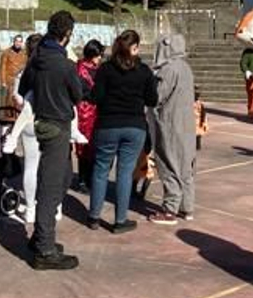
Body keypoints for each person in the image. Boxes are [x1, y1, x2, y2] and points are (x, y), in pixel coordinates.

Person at [17, 11, 85, 269]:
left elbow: (24, 89)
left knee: (63, 176)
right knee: (51, 185)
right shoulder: (65, 64)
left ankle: (40, 237)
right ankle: (44, 249)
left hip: (43, 123)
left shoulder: (37, 59)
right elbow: (77, 95)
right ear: (67, 34)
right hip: (57, 125)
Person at [89, 29, 159, 231]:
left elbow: (95, 97)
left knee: (101, 169)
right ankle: (120, 220)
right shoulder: (144, 71)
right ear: (134, 47)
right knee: (125, 172)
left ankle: (94, 216)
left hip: (108, 124)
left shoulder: (105, 69)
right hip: (134, 125)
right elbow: (152, 100)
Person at [150, 32, 198, 224]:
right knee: (186, 166)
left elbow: (157, 97)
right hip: (186, 124)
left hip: (170, 123)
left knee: (169, 163)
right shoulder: (186, 68)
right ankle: (187, 207)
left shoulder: (168, 70)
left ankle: (170, 209)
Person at [6, 34, 46, 234]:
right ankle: (51, 206)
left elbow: (17, 98)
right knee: (48, 167)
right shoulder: (46, 70)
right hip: (47, 121)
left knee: (30, 165)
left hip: (27, 123)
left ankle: (30, 208)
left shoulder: (24, 71)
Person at [73, 40, 103, 192]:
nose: (100, 58)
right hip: (84, 111)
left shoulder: (99, 69)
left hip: (96, 111)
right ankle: (82, 180)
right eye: (98, 55)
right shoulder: (79, 69)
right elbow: (79, 91)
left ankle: (91, 178)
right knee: (83, 146)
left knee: (95, 146)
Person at [0, 34, 28, 107]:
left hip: (21, 79)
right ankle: (8, 115)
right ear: (13, 41)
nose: (18, 43)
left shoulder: (24, 53)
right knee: (9, 100)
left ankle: (17, 115)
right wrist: (3, 81)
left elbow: (27, 65)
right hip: (10, 80)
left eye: (20, 41)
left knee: (20, 100)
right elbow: (2, 67)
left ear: (22, 43)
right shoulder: (6, 53)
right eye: (16, 41)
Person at [194, 89, 208, 153]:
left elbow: (203, 113)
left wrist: (203, 121)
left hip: (197, 120)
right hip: (196, 120)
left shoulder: (199, 104)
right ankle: (197, 146)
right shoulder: (199, 104)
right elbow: (203, 113)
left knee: (197, 134)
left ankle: (197, 146)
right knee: (197, 134)